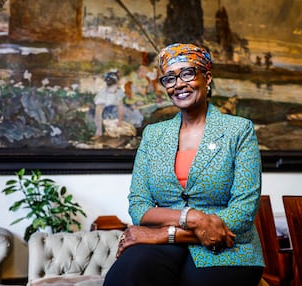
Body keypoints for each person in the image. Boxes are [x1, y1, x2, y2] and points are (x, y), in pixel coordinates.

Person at [103, 43, 264, 286]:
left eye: (187, 73)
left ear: (207, 77)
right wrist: (194, 219)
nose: (178, 84)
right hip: (167, 250)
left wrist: (163, 235)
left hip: (229, 247)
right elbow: (139, 206)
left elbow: (243, 211)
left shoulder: (238, 130)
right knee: (127, 272)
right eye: (169, 78)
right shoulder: (153, 135)